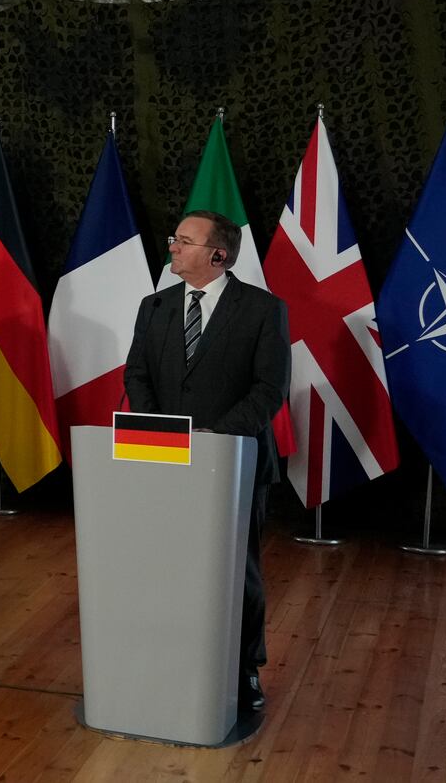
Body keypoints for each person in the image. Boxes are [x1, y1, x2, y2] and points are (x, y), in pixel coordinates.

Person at [123, 209, 290, 714]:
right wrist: (161, 432)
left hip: (233, 461)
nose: (172, 246)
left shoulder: (263, 310)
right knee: (164, 566)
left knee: (238, 573)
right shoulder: (154, 306)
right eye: (174, 238)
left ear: (218, 255)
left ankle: (243, 668)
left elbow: (269, 389)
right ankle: (168, 657)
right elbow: (137, 376)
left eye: (185, 241)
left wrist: (215, 437)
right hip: (162, 459)